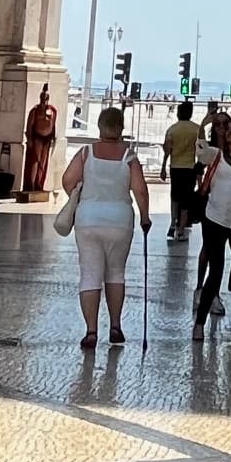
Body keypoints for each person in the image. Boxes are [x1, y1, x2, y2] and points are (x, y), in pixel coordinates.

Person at [62, 105, 151, 351]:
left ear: (100, 126)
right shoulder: (129, 155)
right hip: (120, 220)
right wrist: (145, 216)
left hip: (88, 218)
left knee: (90, 274)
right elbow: (140, 190)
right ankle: (115, 325)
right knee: (115, 273)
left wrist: (81, 197)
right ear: (120, 127)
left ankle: (91, 331)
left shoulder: (86, 152)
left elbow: (68, 180)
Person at [193, 116, 231, 337]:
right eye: (226, 129)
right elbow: (200, 151)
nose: (229, 132)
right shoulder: (216, 155)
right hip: (215, 218)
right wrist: (203, 126)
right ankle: (200, 321)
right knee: (216, 271)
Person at [161, 99, 204, 240]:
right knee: (187, 200)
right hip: (190, 168)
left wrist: (163, 166)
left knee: (175, 197)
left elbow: (167, 150)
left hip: (175, 167)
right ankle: (181, 230)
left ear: (178, 113)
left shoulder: (172, 129)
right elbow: (201, 150)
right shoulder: (197, 129)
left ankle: (173, 223)